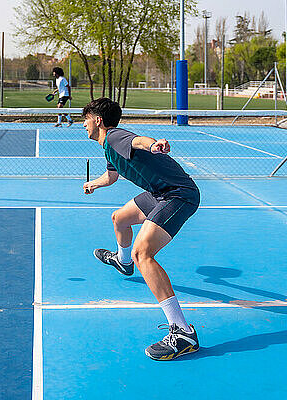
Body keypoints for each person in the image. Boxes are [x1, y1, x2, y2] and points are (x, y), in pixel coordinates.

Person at [82, 97, 201, 361]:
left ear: (98, 120)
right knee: (119, 219)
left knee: (143, 254)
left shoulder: (115, 137)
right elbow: (111, 176)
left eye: (86, 119)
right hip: (158, 193)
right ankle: (123, 263)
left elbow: (138, 140)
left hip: (178, 195)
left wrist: (154, 144)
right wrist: (94, 184)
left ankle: (183, 333)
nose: (84, 125)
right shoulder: (108, 148)